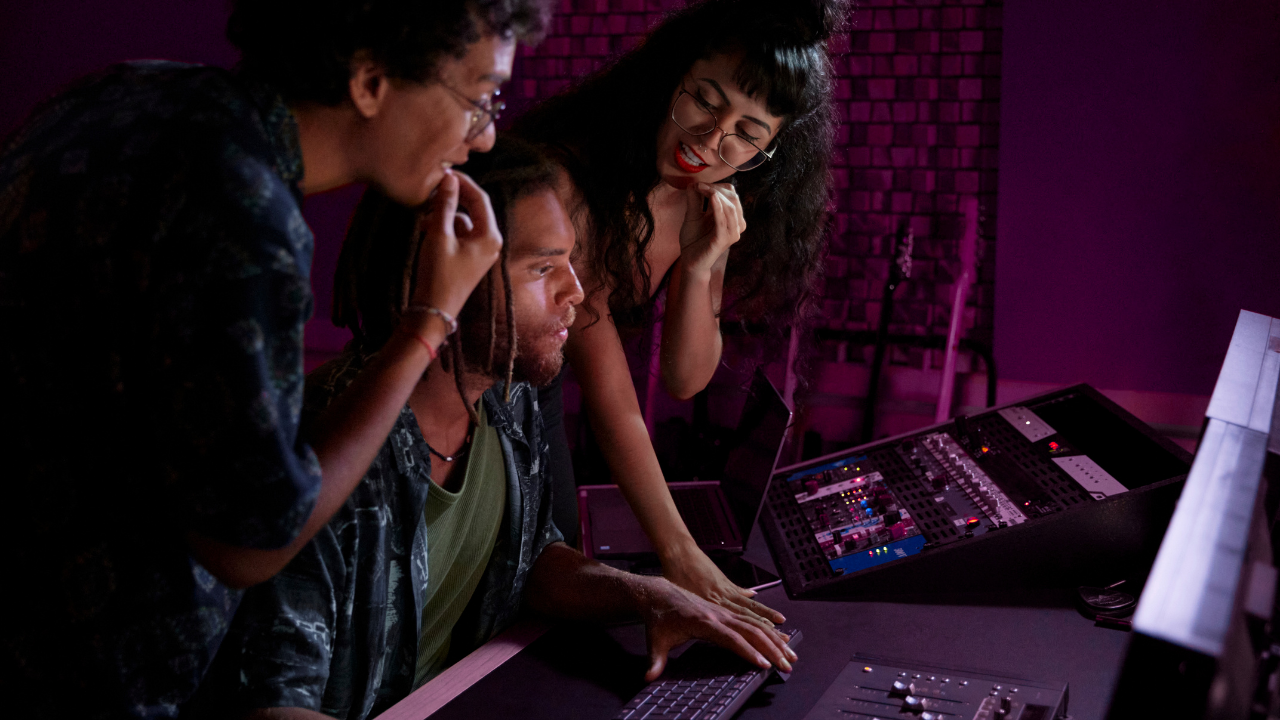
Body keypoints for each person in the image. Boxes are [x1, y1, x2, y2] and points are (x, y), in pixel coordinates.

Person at [0, 1, 553, 716]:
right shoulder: (244, 213)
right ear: (371, 80)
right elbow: (250, 545)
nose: (486, 135)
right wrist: (427, 322)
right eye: (479, 98)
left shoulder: (121, 92)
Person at [191, 137, 796, 720]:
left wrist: (649, 594)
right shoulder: (333, 445)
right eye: (542, 268)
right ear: (447, 276)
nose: (575, 292)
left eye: (569, 262)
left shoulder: (507, 396)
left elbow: (527, 563)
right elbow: (269, 704)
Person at [513, 0, 843, 621]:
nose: (712, 140)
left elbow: (685, 378)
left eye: (747, 134)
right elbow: (612, 400)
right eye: (705, 102)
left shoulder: (707, 196)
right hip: (471, 394)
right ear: (672, 77)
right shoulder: (569, 179)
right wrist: (679, 551)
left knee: (547, 574)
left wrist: (698, 266)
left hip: (541, 393)